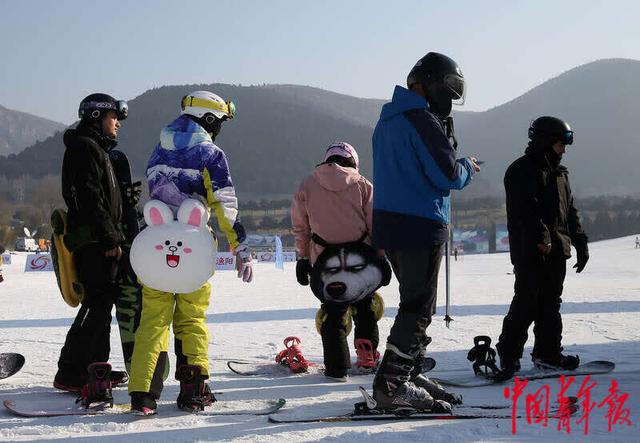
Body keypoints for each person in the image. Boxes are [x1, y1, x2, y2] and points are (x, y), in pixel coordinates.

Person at [128, 90, 253, 414]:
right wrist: (239, 246)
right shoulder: (211, 154)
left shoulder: (158, 151)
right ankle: (193, 391)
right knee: (192, 321)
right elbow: (225, 204)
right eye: (220, 121)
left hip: (157, 247)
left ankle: (143, 394)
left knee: (152, 324)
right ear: (209, 119)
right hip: (193, 249)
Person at [371, 52, 480, 411]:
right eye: (448, 89)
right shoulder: (420, 119)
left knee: (414, 303)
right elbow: (446, 175)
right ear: (429, 83)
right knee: (418, 308)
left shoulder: (388, 120)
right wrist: (466, 166)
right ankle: (392, 384)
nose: (449, 99)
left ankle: (410, 370)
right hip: (419, 222)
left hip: (392, 223)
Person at [496, 116, 589, 378]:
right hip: (530, 249)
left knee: (550, 303)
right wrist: (542, 237)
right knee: (527, 301)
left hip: (558, 249)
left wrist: (581, 243)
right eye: (561, 144)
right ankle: (509, 354)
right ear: (546, 142)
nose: (564, 149)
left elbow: (570, 212)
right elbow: (526, 210)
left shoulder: (561, 174)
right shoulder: (520, 170)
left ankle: (547, 354)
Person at [291, 142, 390, 381]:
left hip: (325, 263)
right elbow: (376, 226)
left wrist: (303, 257)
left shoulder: (307, 184)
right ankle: (367, 356)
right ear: (353, 161)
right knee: (365, 307)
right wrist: (382, 257)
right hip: (362, 260)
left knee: (333, 312)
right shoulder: (363, 184)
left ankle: (336, 367)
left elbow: (300, 227)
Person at [54, 94, 129, 399]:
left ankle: (96, 366)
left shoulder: (95, 148)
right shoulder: (84, 148)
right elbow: (89, 198)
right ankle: (70, 371)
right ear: (97, 117)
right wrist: (110, 236)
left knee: (102, 304)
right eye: (114, 118)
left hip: (100, 239)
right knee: (95, 303)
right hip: (94, 241)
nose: (118, 124)